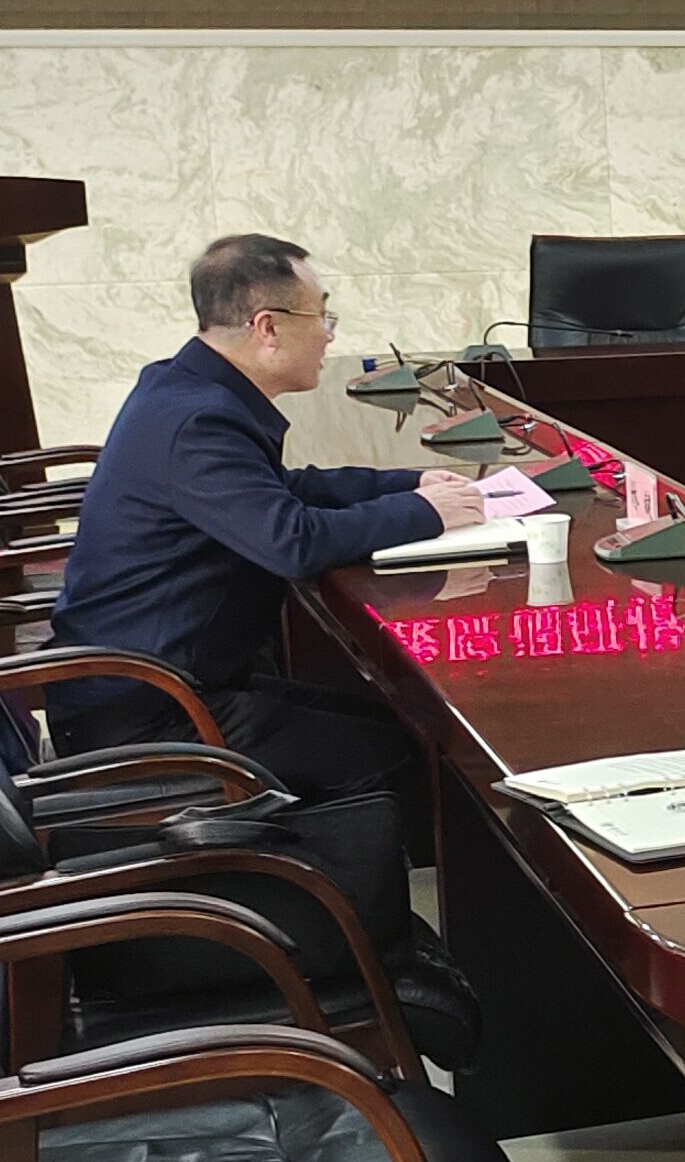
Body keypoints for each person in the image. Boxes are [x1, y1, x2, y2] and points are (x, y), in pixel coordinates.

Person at [47, 234, 486, 799]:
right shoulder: (200, 422)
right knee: (398, 756)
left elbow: (280, 491)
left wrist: (410, 484)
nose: (329, 335)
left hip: (165, 681)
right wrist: (422, 514)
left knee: (403, 722)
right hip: (145, 714)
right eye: (322, 317)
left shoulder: (186, 388)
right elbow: (293, 542)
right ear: (268, 328)